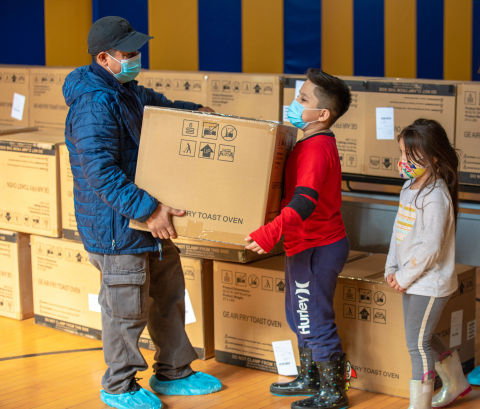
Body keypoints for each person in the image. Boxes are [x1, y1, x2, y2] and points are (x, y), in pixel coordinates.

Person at [63, 16, 221, 409]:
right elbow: (99, 171)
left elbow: (161, 108)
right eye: (128, 53)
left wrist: (194, 112)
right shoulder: (93, 103)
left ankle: (174, 371)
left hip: (150, 219)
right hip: (119, 225)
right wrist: (148, 210)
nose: (136, 58)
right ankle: (119, 386)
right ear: (104, 57)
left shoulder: (126, 89)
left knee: (168, 294)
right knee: (125, 310)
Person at [245, 69, 352, 409]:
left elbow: (304, 203)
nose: (294, 103)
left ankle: (334, 393)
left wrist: (270, 232)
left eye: (303, 100)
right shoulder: (306, 141)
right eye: (297, 95)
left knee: (313, 317)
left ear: (323, 115)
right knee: (297, 313)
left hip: (318, 246)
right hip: (302, 244)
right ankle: (311, 377)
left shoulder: (318, 149)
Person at [385, 119, 471, 409]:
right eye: (401, 154)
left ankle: (418, 405)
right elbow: (399, 233)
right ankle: (457, 382)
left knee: (416, 344)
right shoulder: (409, 187)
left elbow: (430, 247)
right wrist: (391, 268)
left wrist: (405, 277)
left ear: (434, 157)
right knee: (423, 336)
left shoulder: (436, 197)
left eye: (411, 157)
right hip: (413, 279)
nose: (403, 162)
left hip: (430, 284)